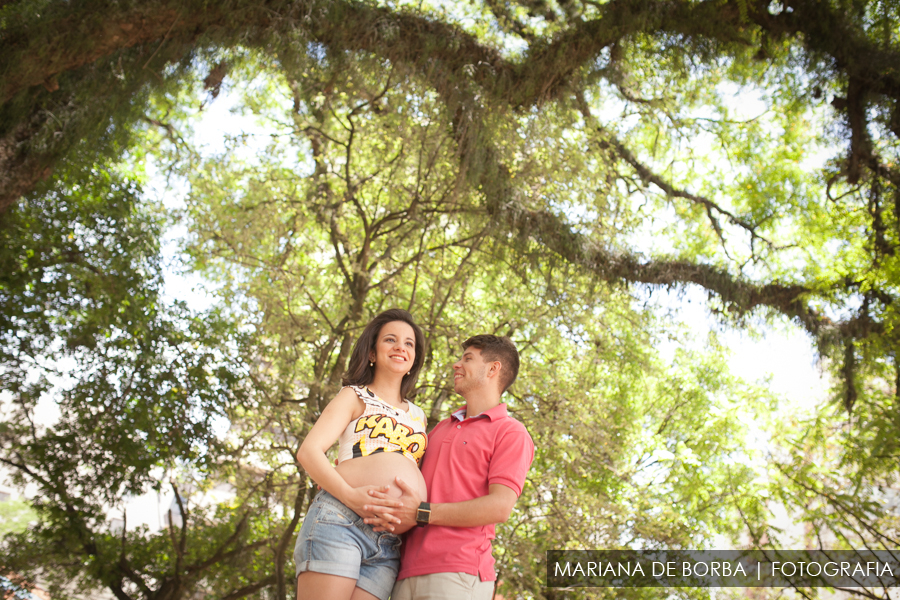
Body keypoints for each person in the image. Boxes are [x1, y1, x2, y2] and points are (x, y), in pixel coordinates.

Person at [363, 334, 534, 600]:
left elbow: (499, 507)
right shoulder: (440, 428)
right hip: (403, 570)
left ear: (493, 369)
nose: (456, 364)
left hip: (458, 572)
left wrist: (422, 513)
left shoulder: (511, 432)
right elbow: (399, 471)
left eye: (467, 359)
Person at [294, 308, 428, 600]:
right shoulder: (354, 395)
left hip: (388, 544)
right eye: (390, 340)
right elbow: (309, 452)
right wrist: (350, 495)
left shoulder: (420, 417)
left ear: (414, 358)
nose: (400, 347)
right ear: (372, 352)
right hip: (341, 519)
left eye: (409, 343)